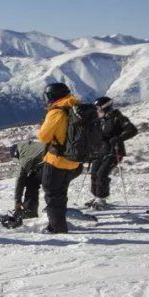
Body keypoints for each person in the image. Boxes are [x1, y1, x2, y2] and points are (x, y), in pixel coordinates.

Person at [37, 82, 84, 233]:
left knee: (51, 193)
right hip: (73, 160)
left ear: (52, 96)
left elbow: (43, 136)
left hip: (57, 159)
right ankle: (59, 223)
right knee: (61, 193)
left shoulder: (57, 111)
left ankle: (57, 227)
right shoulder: (75, 108)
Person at [86, 97, 138, 209]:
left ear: (104, 107)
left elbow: (132, 130)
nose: (96, 110)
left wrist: (119, 138)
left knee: (101, 174)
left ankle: (102, 199)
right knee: (94, 174)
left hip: (114, 151)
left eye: (98, 107)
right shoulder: (101, 120)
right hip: (100, 151)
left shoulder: (118, 118)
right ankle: (96, 197)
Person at [0, 139, 46, 228]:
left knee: (31, 182)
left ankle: (30, 212)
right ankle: (53, 209)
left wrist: (17, 201)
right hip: (67, 161)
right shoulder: (30, 147)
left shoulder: (24, 154)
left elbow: (20, 178)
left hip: (55, 162)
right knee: (33, 180)